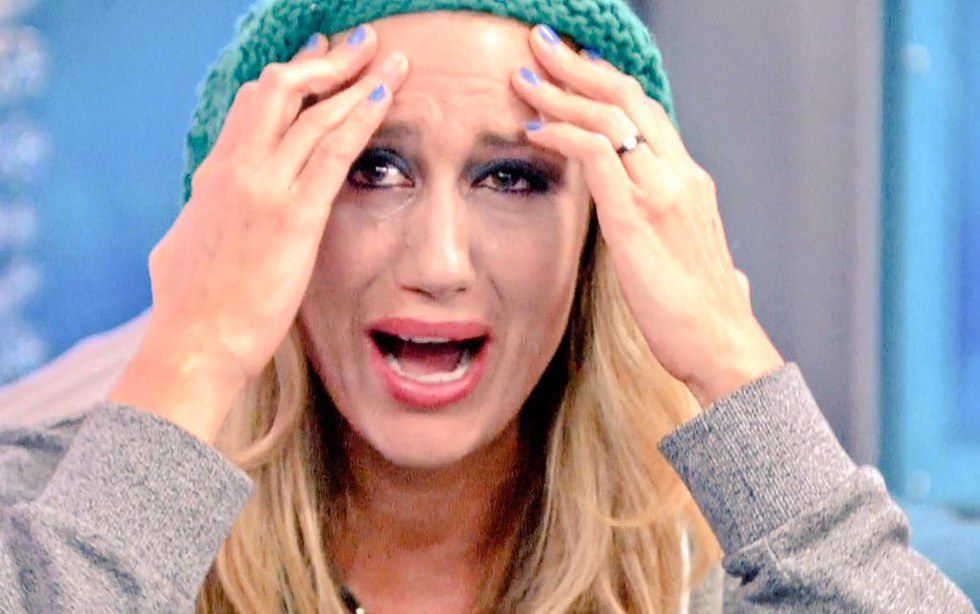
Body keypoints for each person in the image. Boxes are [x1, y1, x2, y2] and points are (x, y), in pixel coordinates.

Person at [0, 0, 974, 612]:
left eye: (513, 176)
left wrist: (729, 355)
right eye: (371, 167)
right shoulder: (55, 517)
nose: (439, 262)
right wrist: (195, 351)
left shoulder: (713, 562)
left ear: (604, 237)